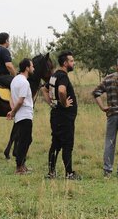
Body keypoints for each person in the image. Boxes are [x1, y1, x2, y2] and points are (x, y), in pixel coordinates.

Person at [42, 51, 80, 180]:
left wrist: (52, 103)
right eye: (71, 61)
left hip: (56, 115)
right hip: (64, 117)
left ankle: (51, 172)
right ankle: (69, 173)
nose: (73, 63)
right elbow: (62, 90)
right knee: (67, 144)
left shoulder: (54, 76)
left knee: (55, 143)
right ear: (65, 63)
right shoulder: (63, 76)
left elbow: (44, 89)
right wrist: (63, 103)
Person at [6, 58, 35, 175]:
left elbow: (11, 98)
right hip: (25, 115)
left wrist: (13, 111)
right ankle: (19, 168)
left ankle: (22, 164)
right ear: (27, 68)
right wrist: (13, 112)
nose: (34, 68)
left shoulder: (14, 80)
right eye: (32, 66)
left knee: (26, 139)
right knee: (24, 141)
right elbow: (21, 101)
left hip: (19, 116)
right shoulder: (24, 82)